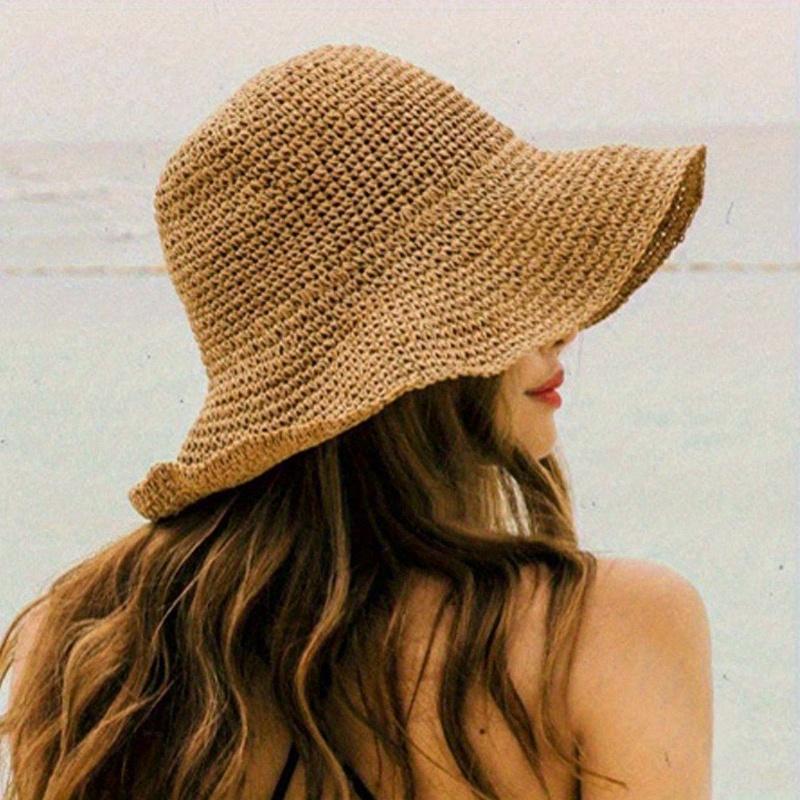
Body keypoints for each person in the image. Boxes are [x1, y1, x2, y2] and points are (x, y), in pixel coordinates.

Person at [0, 44, 712, 799]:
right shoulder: (613, 632)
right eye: (499, 287)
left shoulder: (91, 644)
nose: (562, 330)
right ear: (409, 343)